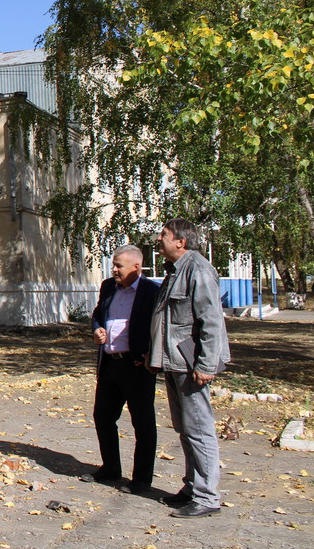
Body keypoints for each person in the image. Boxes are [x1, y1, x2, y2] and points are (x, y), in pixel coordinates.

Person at [149, 218, 231, 518]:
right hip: (174, 363)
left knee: (199, 430)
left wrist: (206, 364)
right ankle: (192, 486)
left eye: (164, 235)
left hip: (191, 364)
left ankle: (208, 496)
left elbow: (211, 321)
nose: (160, 240)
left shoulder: (198, 269)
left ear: (180, 241)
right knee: (185, 429)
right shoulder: (175, 271)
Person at [81, 244, 160, 495]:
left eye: (119, 266)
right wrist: (96, 329)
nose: (114, 270)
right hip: (109, 364)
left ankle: (141, 479)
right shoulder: (108, 287)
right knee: (103, 417)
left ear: (136, 267)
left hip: (136, 366)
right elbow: (97, 315)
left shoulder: (151, 292)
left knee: (143, 424)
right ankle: (111, 468)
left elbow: (162, 326)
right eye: (113, 265)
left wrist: (152, 354)